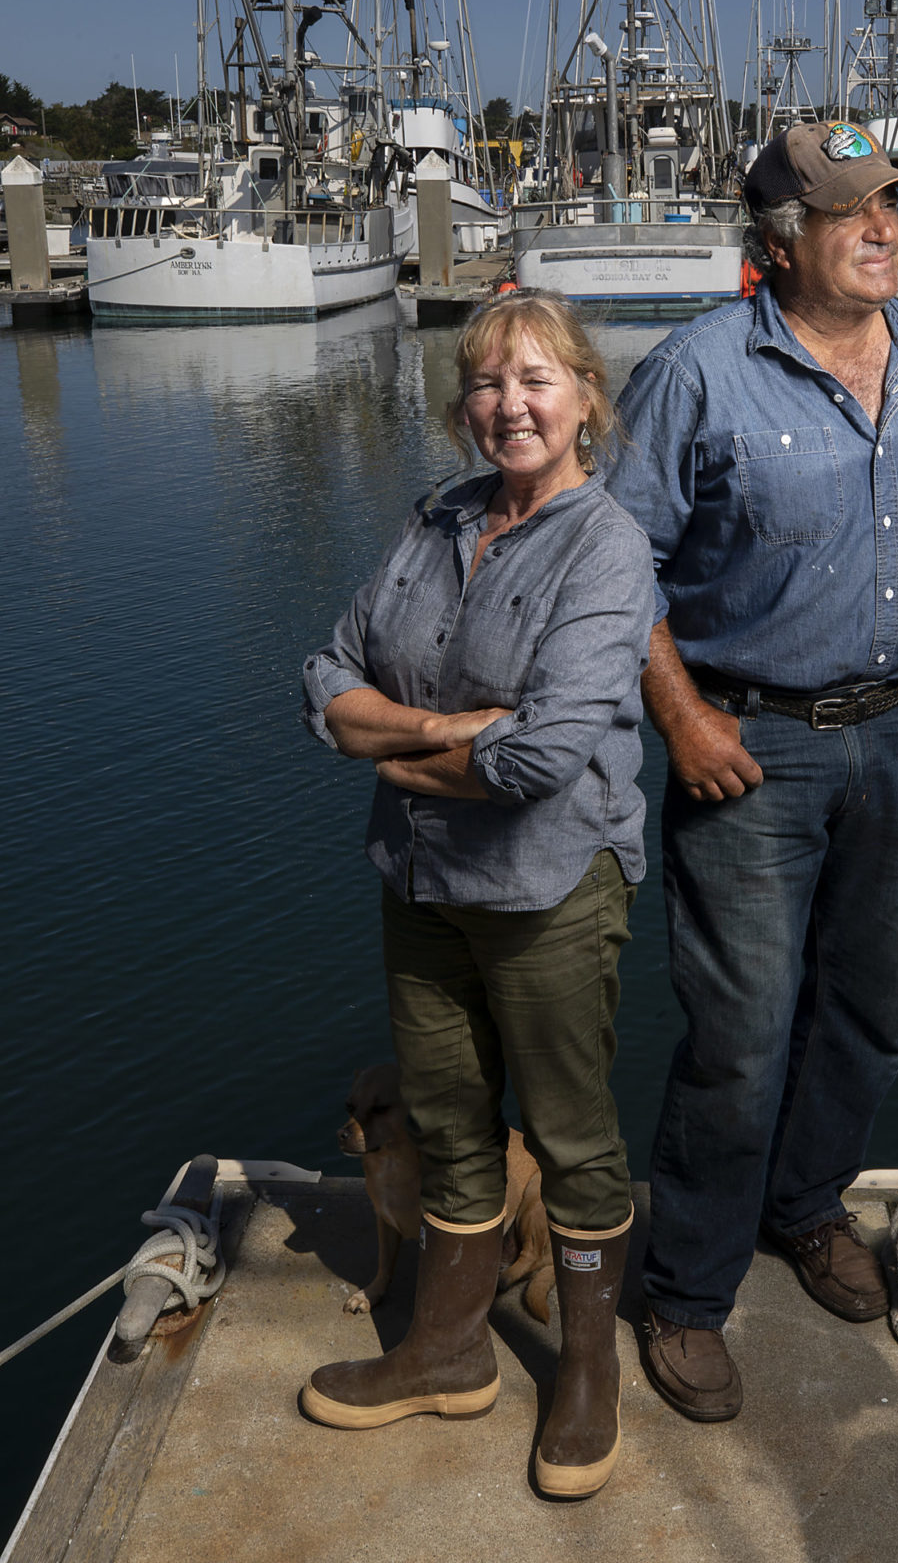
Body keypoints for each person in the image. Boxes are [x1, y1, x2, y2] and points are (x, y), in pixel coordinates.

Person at [607, 118, 898, 1421]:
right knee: (735, 1039)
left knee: (873, 1014)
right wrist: (680, 717)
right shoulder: (697, 374)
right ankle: (684, 1292)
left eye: (892, 205)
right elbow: (615, 572)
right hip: (746, 748)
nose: (885, 228)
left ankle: (805, 1208)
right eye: (851, 214)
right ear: (782, 239)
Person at [298, 288, 654, 1499]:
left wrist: (391, 753)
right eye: (490, 384)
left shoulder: (606, 544)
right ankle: (446, 1348)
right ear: (464, 406)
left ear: (584, 398)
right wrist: (439, 730)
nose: (511, 404)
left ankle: (587, 1368)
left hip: (548, 885)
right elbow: (327, 673)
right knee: (447, 1115)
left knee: (567, 1131)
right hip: (421, 878)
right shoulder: (433, 517)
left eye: (537, 380)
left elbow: (544, 755)